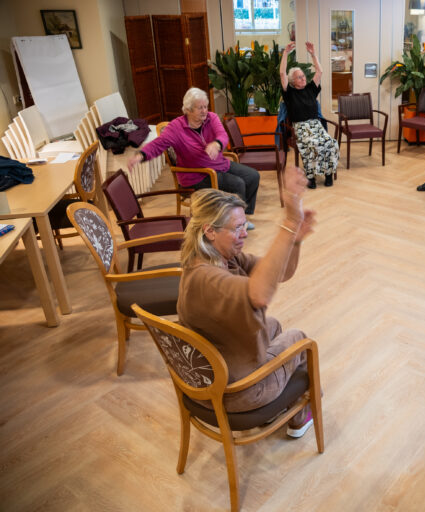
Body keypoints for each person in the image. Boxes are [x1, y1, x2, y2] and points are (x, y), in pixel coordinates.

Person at [176, 166, 316, 437]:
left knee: (272, 325)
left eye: (245, 225)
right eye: (237, 228)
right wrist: (288, 222)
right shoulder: (206, 279)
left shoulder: (219, 257)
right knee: (300, 340)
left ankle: (281, 404)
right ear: (210, 231)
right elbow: (260, 293)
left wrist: (295, 240)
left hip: (215, 374)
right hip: (236, 392)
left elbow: (280, 273)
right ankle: (299, 416)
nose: (245, 233)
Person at [129, 87, 260, 228]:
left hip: (219, 164)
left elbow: (223, 135)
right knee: (238, 184)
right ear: (188, 110)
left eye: (205, 106)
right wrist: (141, 155)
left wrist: (216, 144)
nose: (205, 111)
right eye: (200, 108)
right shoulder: (176, 128)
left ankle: (242, 215)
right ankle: (237, 223)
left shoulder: (211, 118)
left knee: (252, 176)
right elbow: (157, 145)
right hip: (196, 174)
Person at [280, 41, 340, 189]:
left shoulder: (310, 89)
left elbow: (320, 72)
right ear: (293, 81)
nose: (303, 78)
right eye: (299, 77)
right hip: (300, 127)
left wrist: (313, 54)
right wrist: (285, 53)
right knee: (311, 144)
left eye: (303, 76)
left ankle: (328, 174)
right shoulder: (289, 93)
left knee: (330, 142)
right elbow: (282, 73)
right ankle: (311, 177)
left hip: (316, 125)